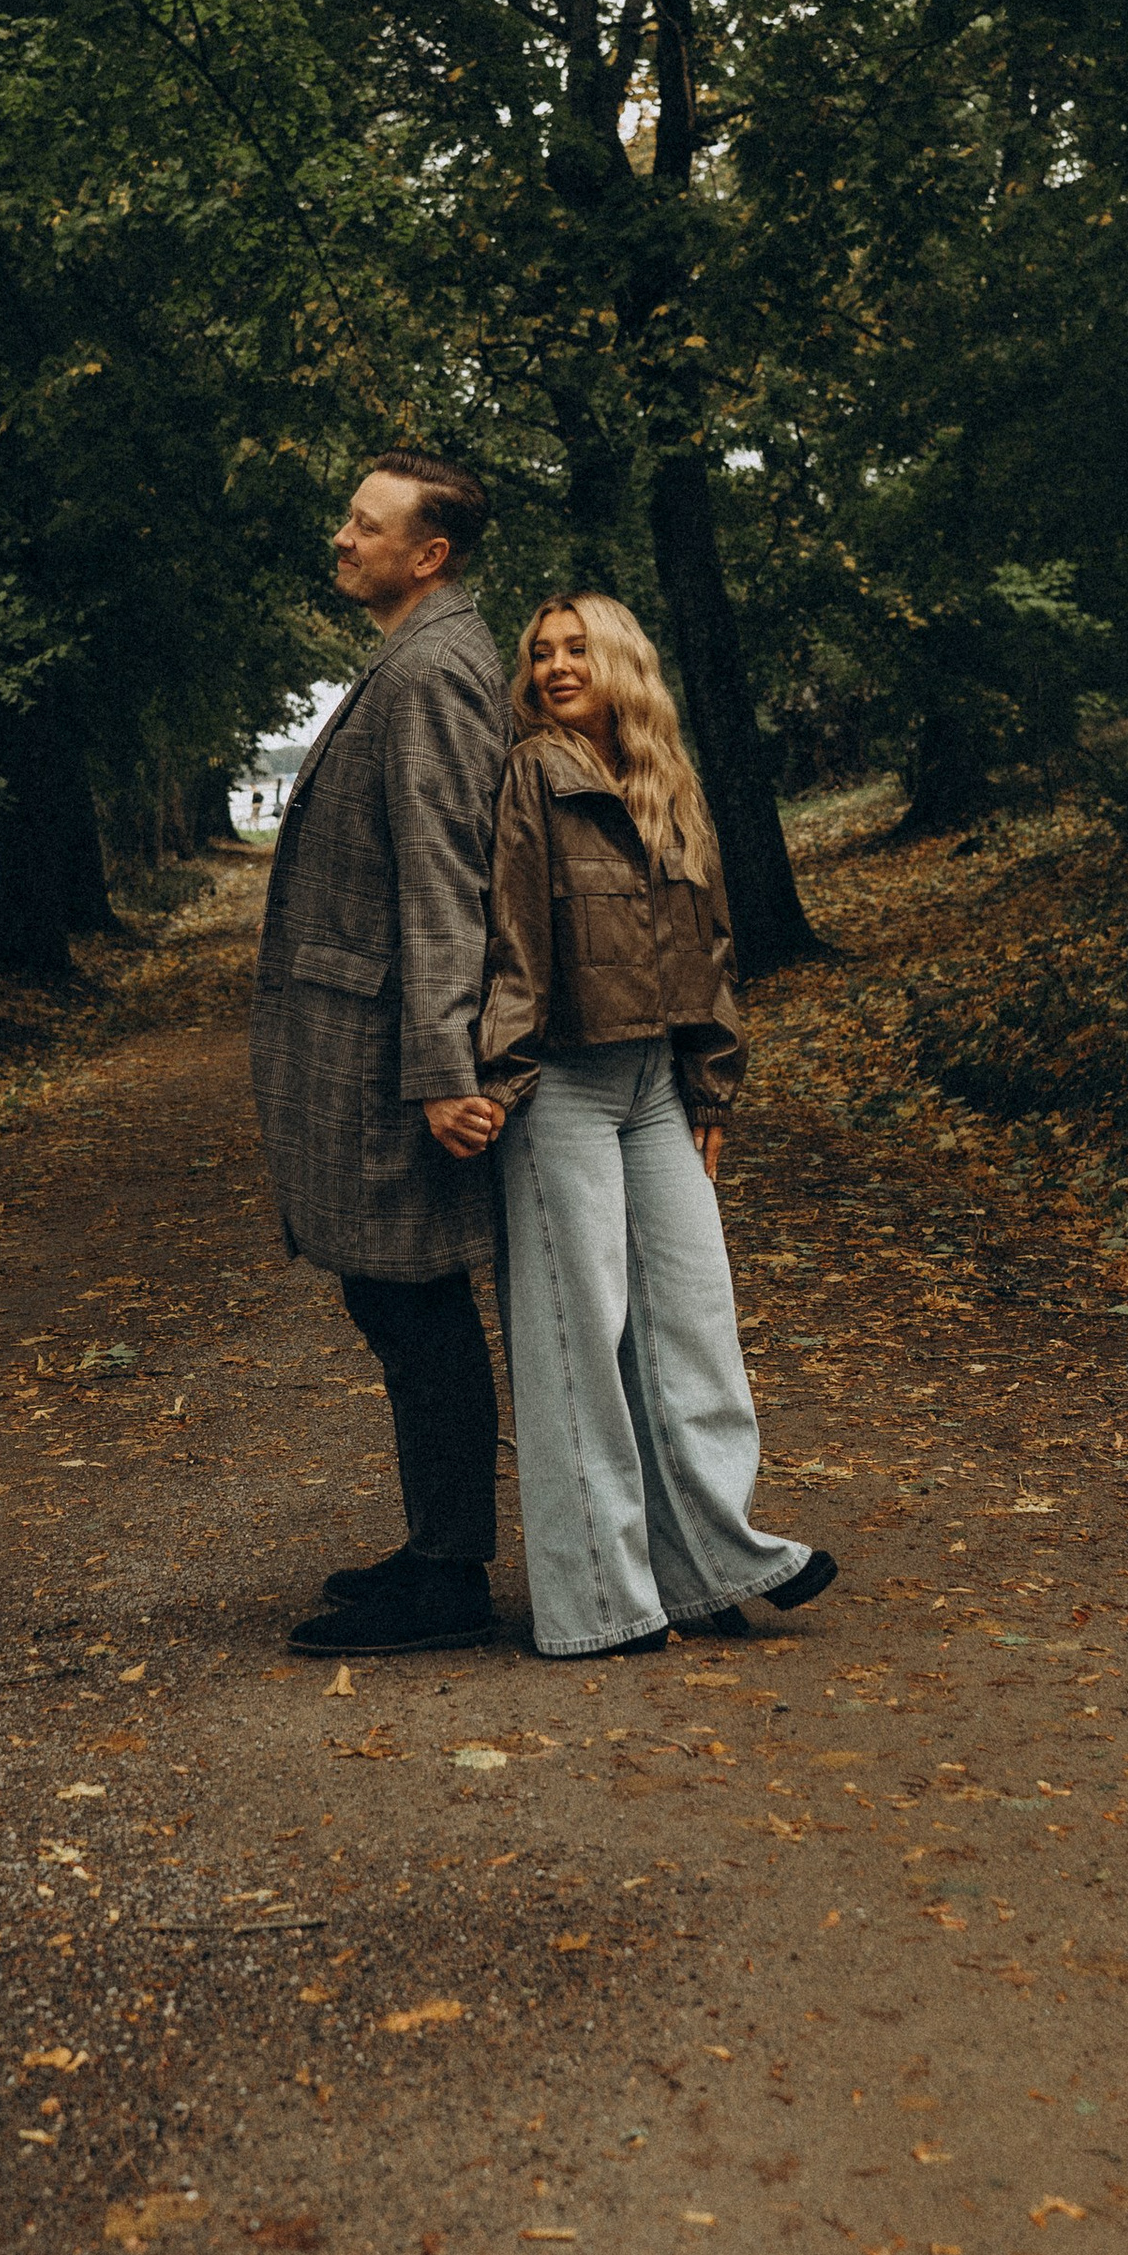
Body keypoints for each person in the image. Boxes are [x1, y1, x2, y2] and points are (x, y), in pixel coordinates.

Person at [476, 592, 837, 1661]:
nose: (553, 666)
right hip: (563, 1085)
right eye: (540, 653)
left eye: (576, 648)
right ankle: (597, 1601)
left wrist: (710, 1085)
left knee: (692, 1321)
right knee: (576, 1340)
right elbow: (508, 929)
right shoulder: (533, 772)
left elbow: (709, 945)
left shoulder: (664, 784)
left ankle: (711, 1561)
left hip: (655, 1087)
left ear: (624, 659)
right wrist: (501, 1075)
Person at [251, 453, 510, 1656]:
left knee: (415, 1306)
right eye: (350, 519)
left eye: (366, 524)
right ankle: (433, 1546)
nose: (342, 537)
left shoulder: (438, 670)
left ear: (430, 554)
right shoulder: (414, 655)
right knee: (395, 1301)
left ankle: (452, 1577)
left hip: (388, 1059)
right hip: (364, 1043)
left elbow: (448, 878)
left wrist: (445, 1068)